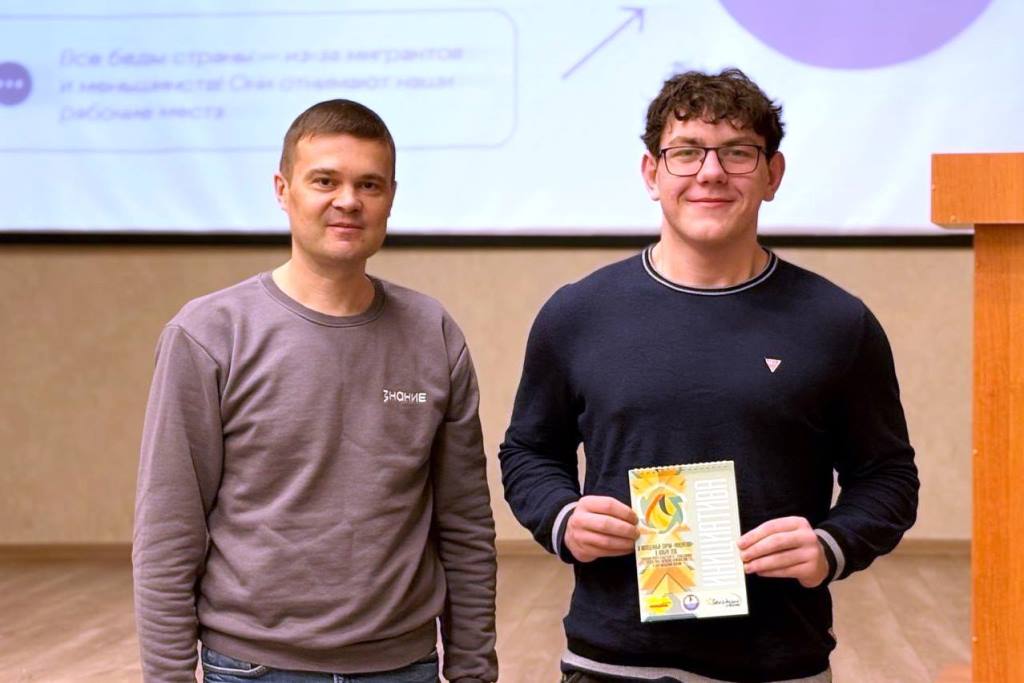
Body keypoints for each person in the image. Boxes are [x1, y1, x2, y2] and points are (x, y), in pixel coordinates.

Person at [498, 68, 918, 683]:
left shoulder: (837, 322)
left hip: (779, 663)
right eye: (687, 152)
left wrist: (831, 546)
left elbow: (888, 476)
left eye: (738, 152)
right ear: (652, 173)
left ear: (773, 174)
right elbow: (529, 451)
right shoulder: (577, 313)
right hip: (611, 660)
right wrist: (563, 518)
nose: (711, 172)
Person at [133, 99, 497, 683]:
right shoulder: (208, 334)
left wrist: (473, 668)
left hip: (404, 666)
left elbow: (465, 522)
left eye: (369, 184)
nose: (348, 201)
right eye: (325, 180)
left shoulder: (432, 333)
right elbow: (168, 529)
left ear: (391, 197)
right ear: (283, 190)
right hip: (253, 667)